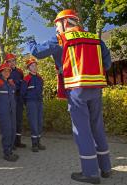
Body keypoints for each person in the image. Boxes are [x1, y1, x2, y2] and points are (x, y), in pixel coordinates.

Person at [27, 9, 112, 184]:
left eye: (57, 25)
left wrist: (29, 41)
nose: (56, 29)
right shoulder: (95, 38)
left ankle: (90, 173)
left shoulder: (61, 38)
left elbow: (37, 52)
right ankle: (105, 168)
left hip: (76, 90)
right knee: (97, 127)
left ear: (65, 23)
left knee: (82, 130)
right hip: (95, 88)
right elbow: (108, 63)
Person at [0, 62, 19, 162]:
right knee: (6, 132)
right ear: (1, 72)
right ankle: (6, 153)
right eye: (5, 71)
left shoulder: (11, 84)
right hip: (4, 112)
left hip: (12, 111)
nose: (7, 72)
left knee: (13, 131)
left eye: (8, 71)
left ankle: (10, 151)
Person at [20, 58, 46, 152]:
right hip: (31, 103)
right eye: (32, 65)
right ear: (28, 68)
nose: (34, 67)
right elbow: (22, 93)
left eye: (35, 65)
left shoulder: (40, 78)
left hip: (39, 102)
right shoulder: (26, 79)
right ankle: (34, 144)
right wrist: (25, 104)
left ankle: (39, 142)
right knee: (33, 123)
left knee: (39, 122)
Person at [4, 53, 27, 148]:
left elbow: (23, 85)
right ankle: (11, 142)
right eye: (9, 61)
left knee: (19, 120)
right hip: (10, 98)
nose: (12, 63)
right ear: (6, 62)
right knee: (11, 121)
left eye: (13, 61)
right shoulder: (5, 72)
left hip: (19, 98)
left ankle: (18, 141)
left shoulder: (20, 72)